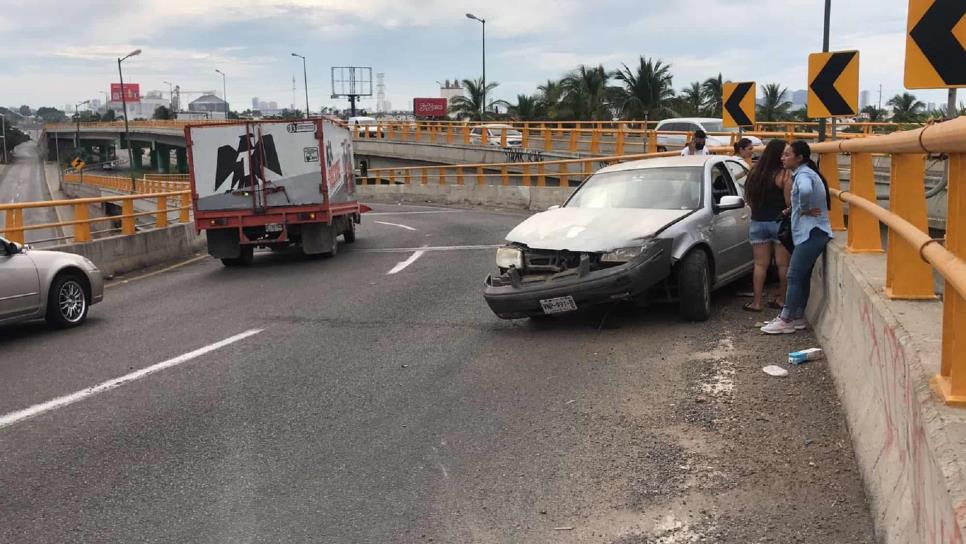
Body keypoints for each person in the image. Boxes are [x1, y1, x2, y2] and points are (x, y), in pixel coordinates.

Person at [761, 140, 833, 335]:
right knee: (802, 276)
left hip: (812, 233)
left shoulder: (803, 175)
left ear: (799, 158)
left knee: (793, 275)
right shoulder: (805, 173)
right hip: (813, 232)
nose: (782, 158)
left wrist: (804, 209)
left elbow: (807, 190)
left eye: (787, 155)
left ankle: (785, 319)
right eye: (783, 154)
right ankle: (798, 316)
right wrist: (793, 209)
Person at [742, 139, 791, 313]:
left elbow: (749, 199)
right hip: (778, 223)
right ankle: (782, 300)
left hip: (758, 222)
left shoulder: (754, 173)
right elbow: (788, 202)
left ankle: (756, 303)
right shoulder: (784, 175)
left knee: (760, 265)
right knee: (782, 265)